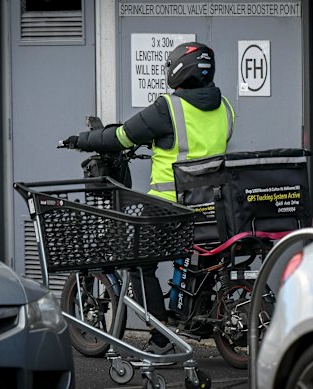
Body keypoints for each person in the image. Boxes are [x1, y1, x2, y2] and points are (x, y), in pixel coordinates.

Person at [63, 42, 235, 359]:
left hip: (169, 208)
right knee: (203, 259)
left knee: (141, 263)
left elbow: (121, 136)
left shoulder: (168, 108)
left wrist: (81, 141)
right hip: (213, 208)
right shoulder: (225, 107)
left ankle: (160, 337)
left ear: (179, 69)